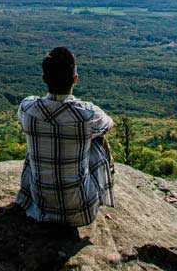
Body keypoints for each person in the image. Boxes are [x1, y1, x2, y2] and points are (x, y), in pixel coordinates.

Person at [15, 46, 114, 226]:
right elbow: (109, 125)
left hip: (40, 206)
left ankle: (30, 193)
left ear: (44, 79)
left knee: (37, 142)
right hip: (81, 208)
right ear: (75, 79)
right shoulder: (88, 114)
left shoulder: (27, 108)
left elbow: (22, 120)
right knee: (98, 139)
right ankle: (105, 188)